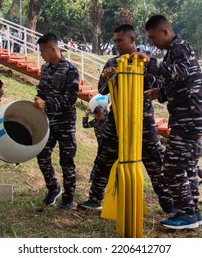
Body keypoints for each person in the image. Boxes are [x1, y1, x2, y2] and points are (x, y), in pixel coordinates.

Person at [77, 24, 175, 214]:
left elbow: (158, 86)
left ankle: (168, 203)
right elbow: (102, 90)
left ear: (132, 40)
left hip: (142, 118)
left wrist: (143, 68)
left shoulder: (147, 61)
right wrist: (108, 77)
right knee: (105, 157)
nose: (116, 45)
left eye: (119, 41)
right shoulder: (112, 62)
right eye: (114, 41)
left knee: (154, 161)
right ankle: (95, 198)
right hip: (117, 117)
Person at [143, 15, 202, 229]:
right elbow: (180, 81)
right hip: (189, 113)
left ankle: (186, 213)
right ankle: (193, 213)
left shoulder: (179, 47)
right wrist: (159, 92)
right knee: (187, 166)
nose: (153, 43)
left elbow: (177, 73)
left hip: (188, 116)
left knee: (171, 166)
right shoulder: (174, 50)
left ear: (164, 32)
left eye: (153, 38)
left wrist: (150, 62)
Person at [33, 33, 80, 210]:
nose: (41, 55)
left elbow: (71, 99)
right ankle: (53, 188)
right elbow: (42, 90)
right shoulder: (45, 69)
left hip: (65, 122)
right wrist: (38, 99)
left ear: (53, 49)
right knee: (42, 155)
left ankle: (68, 197)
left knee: (66, 161)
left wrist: (47, 103)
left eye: (43, 51)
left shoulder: (70, 70)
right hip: (48, 122)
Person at [83, 105, 108, 182]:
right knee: (98, 162)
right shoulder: (95, 121)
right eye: (95, 116)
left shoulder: (108, 119)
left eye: (98, 116)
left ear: (102, 113)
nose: (97, 118)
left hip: (109, 146)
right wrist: (86, 115)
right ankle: (92, 179)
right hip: (101, 146)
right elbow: (85, 125)